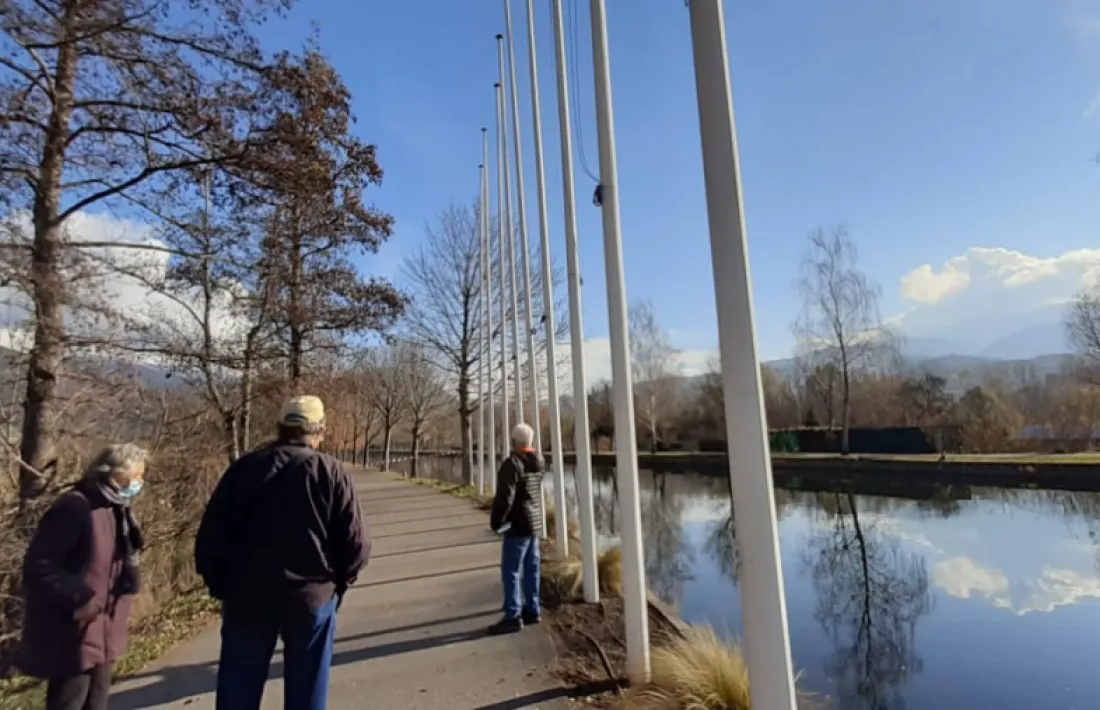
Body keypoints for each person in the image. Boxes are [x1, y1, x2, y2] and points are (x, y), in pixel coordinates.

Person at [195, 395, 369, 710]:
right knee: (308, 688)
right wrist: (339, 584)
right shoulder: (330, 472)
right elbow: (356, 542)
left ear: (279, 428)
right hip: (310, 597)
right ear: (321, 431)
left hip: (246, 596)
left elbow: (210, 536)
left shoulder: (243, 469)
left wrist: (220, 585)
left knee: (238, 687)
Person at [20, 443, 149, 710]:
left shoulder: (117, 508)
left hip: (105, 628)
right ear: (115, 475)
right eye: (136, 477)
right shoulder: (75, 508)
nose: (140, 483)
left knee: (97, 700)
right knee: (70, 700)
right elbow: (39, 566)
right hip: (75, 630)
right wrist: (82, 598)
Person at [487, 422, 545, 635]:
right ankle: (533, 609)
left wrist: (496, 521)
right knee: (532, 567)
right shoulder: (539, 461)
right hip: (534, 523)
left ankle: (512, 615)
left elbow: (505, 497)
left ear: (514, 442)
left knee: (511, 569)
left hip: (518, 523)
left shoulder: (512, 464)